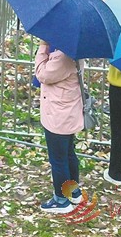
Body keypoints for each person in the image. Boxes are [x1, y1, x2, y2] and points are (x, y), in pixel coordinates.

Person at [34, 40, 85, 214]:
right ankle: (74, 192)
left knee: (58, 159)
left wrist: (43, 47)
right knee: (68, 153)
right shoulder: (76, 49)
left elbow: (42, 74)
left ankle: (61, 200)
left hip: (58, 116)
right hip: (67, 112)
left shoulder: (64, 56)